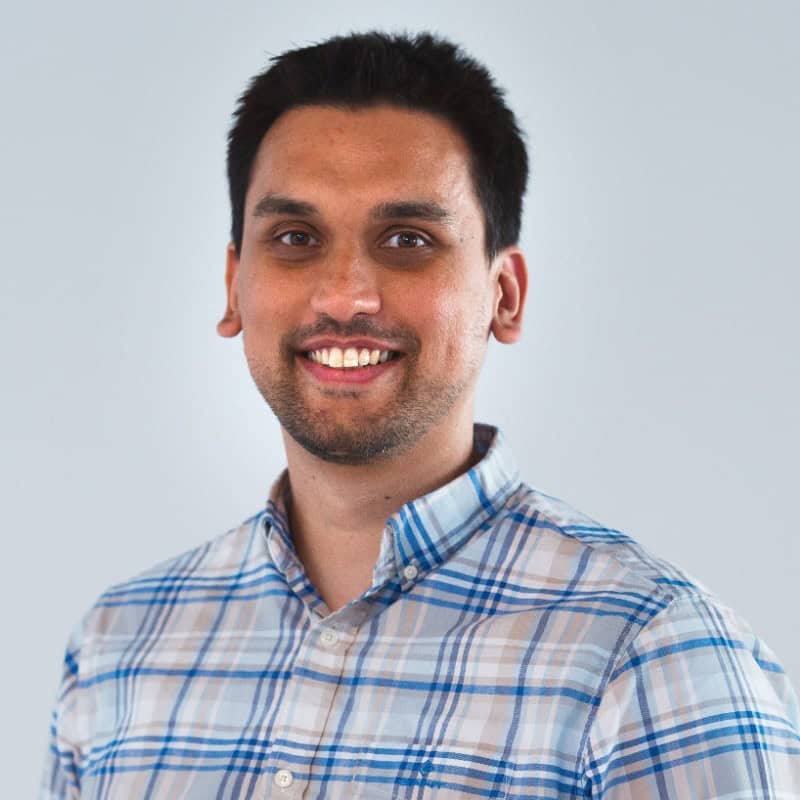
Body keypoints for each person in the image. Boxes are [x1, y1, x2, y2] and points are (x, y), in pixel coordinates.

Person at [41, 31, 800, 800]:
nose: (344, 295)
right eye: (295, 239)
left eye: (407, 240)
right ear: (235, 283)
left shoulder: (649, 657)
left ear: (504, 296)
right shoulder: (119, 650)